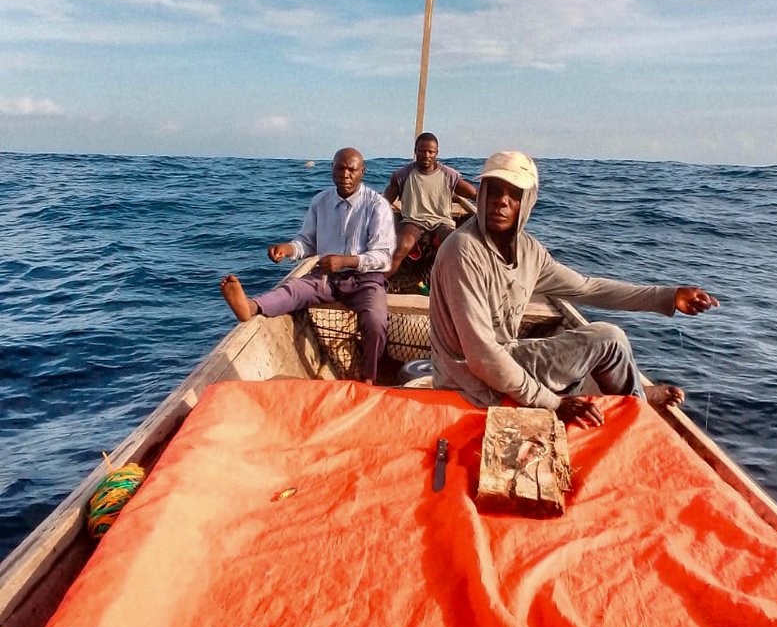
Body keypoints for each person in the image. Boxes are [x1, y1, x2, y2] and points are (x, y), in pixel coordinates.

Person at [429, 151, 719, 427]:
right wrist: (553, 404)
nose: (501, 202)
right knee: (582, 371)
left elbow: (588, 288)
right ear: (480, 195)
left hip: (506, 357)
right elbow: (482, 357)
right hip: (467, 381)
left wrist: (668, 296)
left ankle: (635, 407)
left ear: (527, 201)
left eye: (513, 194)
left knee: (611, 339)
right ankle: (635, 403)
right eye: (493, 191)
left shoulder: (529, 251)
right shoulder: (463, 250)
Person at [219, 148, 395, 384]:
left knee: (375, 320)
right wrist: (288, 249)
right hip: (326, 276)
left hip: (365, 279)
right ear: (332, 169)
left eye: (352, 169)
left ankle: (368, 378)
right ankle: (251, 307)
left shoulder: (377, 205)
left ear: (362, 172)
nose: (345, 174)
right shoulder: (320, 201)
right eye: (340, 168)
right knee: (294, 289)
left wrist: (345, 261)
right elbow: (307, 242)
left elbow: (383, 256)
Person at [382, 132, 477, 277]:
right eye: (422, 150)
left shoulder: (449, 175)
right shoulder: (403, 175)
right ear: (415, 151)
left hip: (442, 222)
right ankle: (377, 281)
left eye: (431, 151)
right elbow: (383, 203)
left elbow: (474, 194)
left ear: (436, 153)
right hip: (413, 221)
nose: (426, 155)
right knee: (402, 244)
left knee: (459, 245)